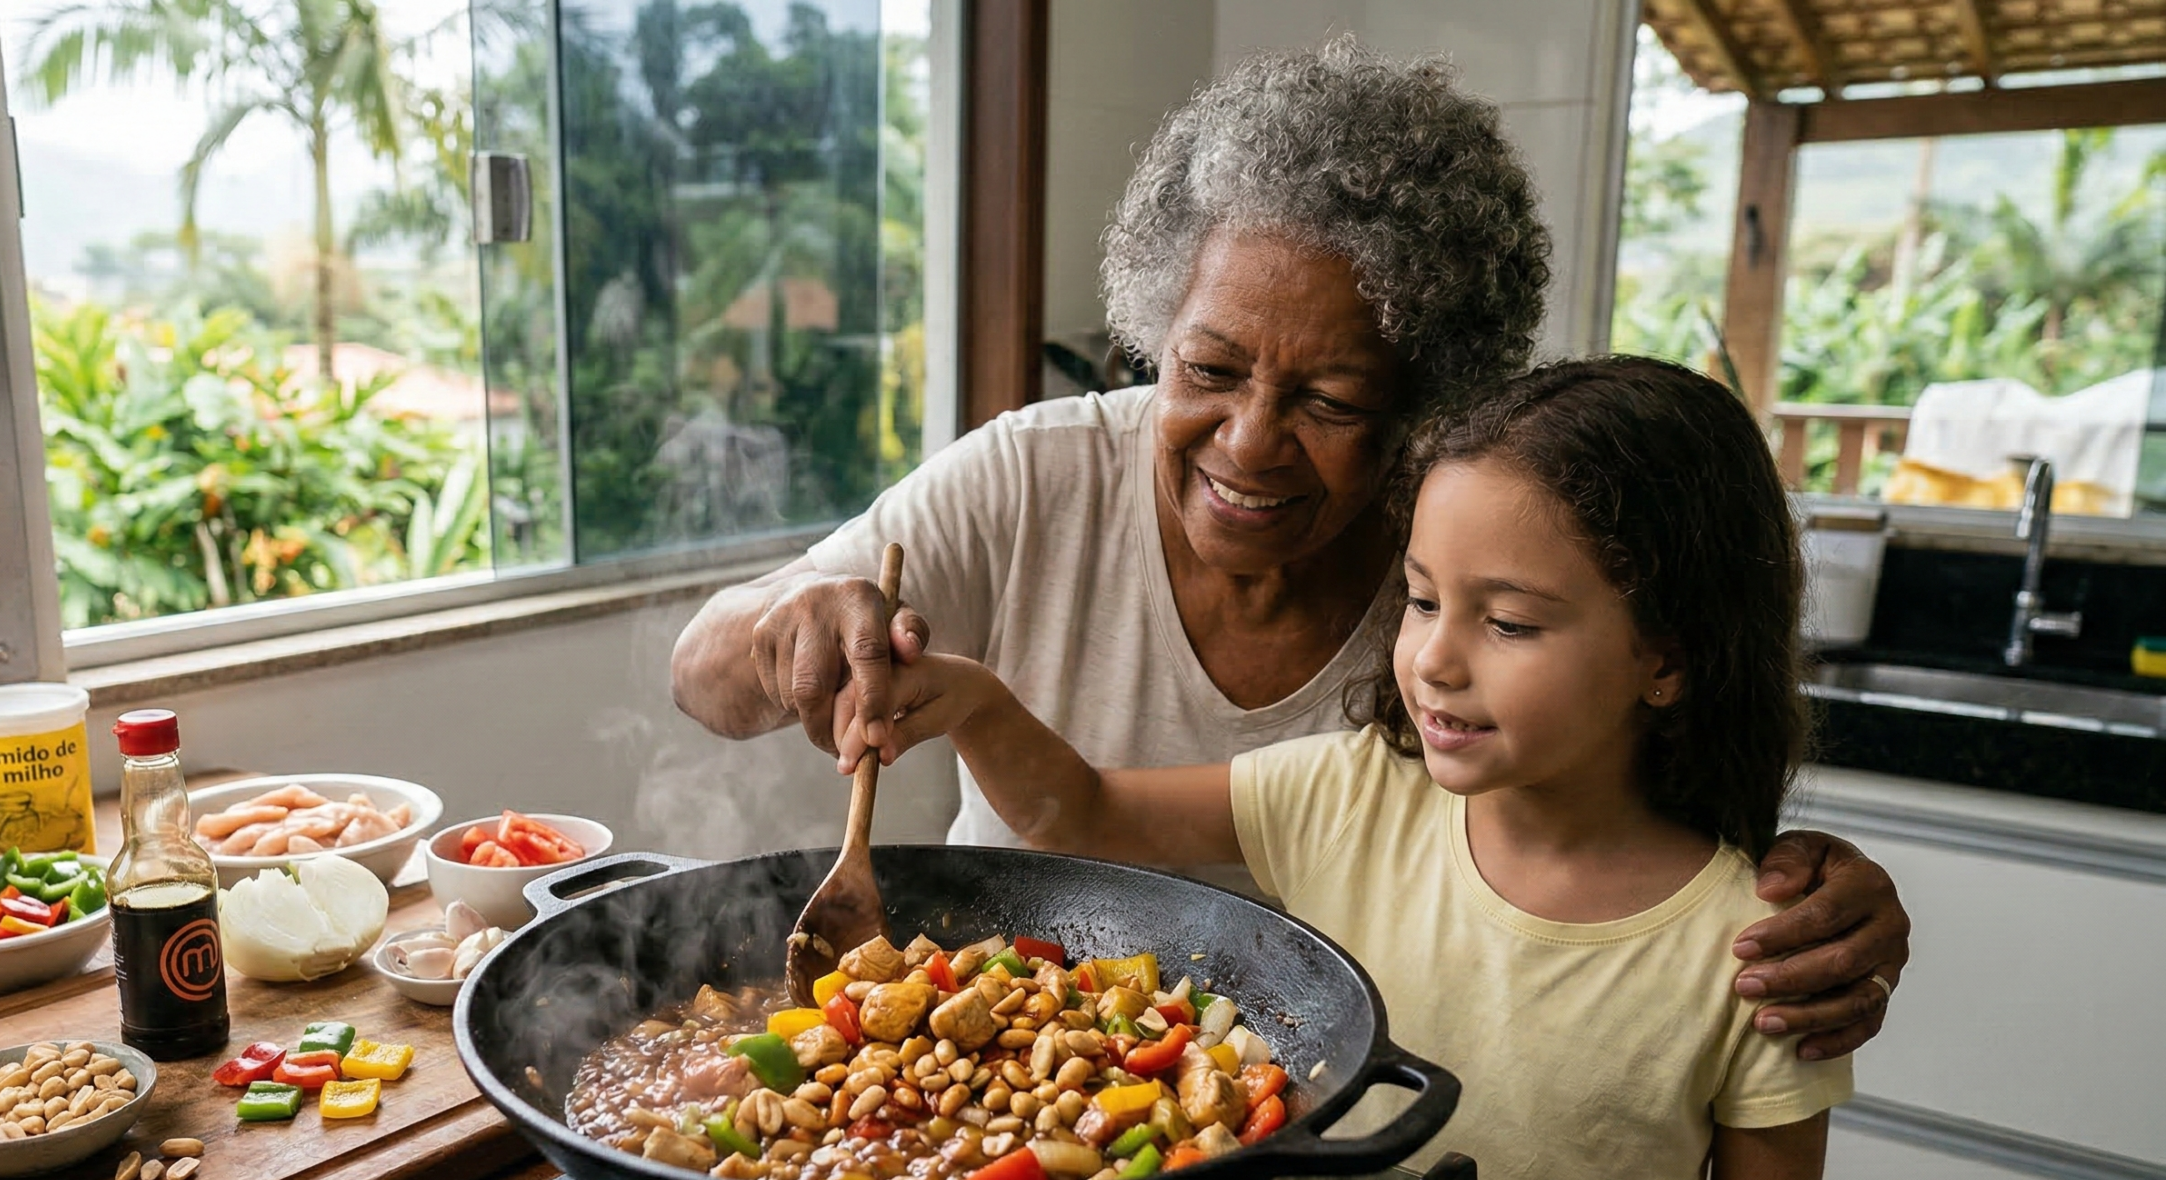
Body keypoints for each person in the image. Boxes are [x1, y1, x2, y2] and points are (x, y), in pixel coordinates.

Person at [671, 41, 1909, 1063]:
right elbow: (703, 675)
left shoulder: (1463, 565)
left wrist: (1793, 890)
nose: (1250, 444)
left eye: (1330, 399)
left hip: (1327, 1114)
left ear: (1423, 399)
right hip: (981, 1047)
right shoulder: (1031, 474)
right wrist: (789, 624)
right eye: (1208, 371)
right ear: (1157, 334)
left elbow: (1626, 816)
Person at [836, 358, 1846, 1180]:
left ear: (1666, 660)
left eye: (1507, 622)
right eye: (1418, 599)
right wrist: (975, 704)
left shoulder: (1766, 954)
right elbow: (1084, 811)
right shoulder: (1356, 791)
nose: (1434, 660)